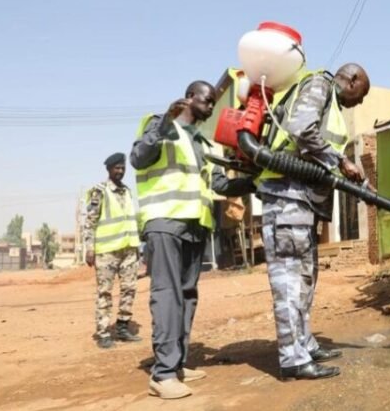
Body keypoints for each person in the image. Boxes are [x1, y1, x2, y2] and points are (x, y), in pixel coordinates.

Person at [130, 80, 255, 399]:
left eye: (213, 101)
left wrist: (254, 180)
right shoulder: (160, 124)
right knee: (167, 294)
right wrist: (166, 122)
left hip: (196, 225)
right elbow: (139, 158)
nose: (211, 106)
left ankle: (177, 363)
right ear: (189, 98)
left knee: (187, 296)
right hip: (165, 220)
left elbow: (219, 185)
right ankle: (163, 374)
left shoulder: (205, 143)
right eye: (207, 100)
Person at [257, 63, 370, 381]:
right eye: (360, 95)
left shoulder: (330, 103)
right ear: (351, 79)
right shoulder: (319, 86)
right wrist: (341, 160)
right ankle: (292, 359)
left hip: (301, 203)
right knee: (289, 281)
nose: (359, 102)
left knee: (305, 280)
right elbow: (301, 130)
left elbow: (317, 148)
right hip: (286, 198)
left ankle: (305, 345)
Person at [83, 152, 142, 349]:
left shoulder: (127, 191)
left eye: (123, 168)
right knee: (105, 292)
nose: (120, 171)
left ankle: (123, 327)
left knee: (129, 289)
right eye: (117, 168)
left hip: (129, 249)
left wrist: (137, 247)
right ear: (109, 169)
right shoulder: (99, 191)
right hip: (107, 252)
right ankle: (103, 332)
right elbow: (90, 221)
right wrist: (89, 248)